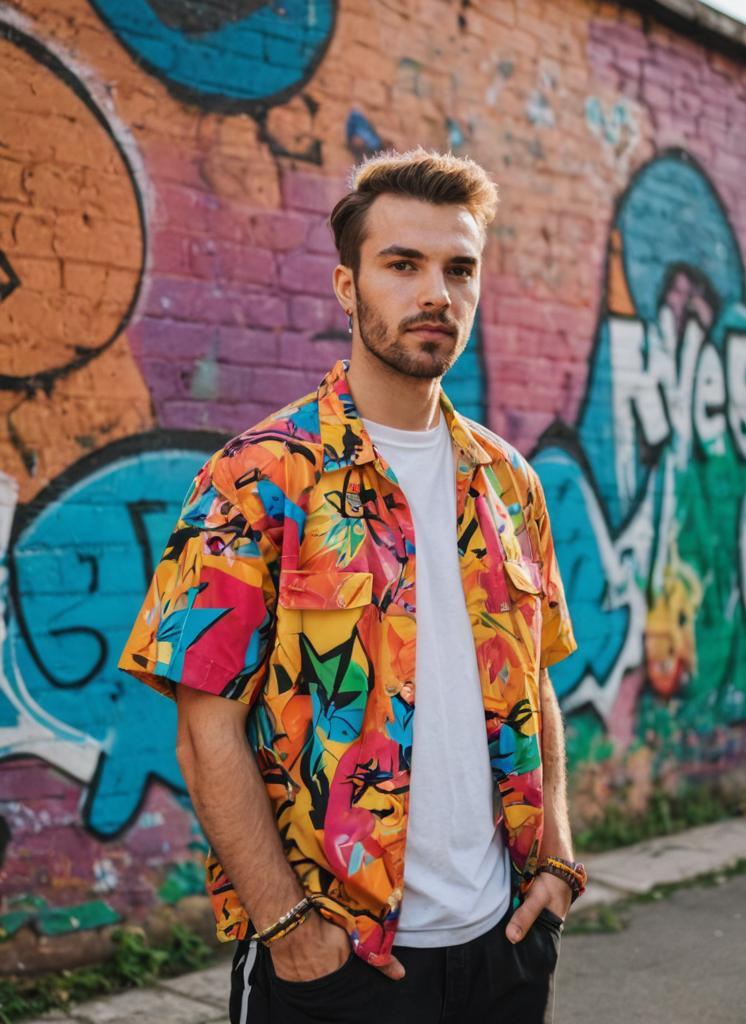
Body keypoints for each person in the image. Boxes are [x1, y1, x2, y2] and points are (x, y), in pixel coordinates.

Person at [120, 148, 586, 1024]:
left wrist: (555, 852)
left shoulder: (509, 480)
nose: (435, 294)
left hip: (507, 947)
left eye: (459, 269)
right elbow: (204, 726)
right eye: (402, 265)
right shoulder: (260, 476)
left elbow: (537, 676)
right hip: (341, 965)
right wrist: (290, 930)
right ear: (346, 287)